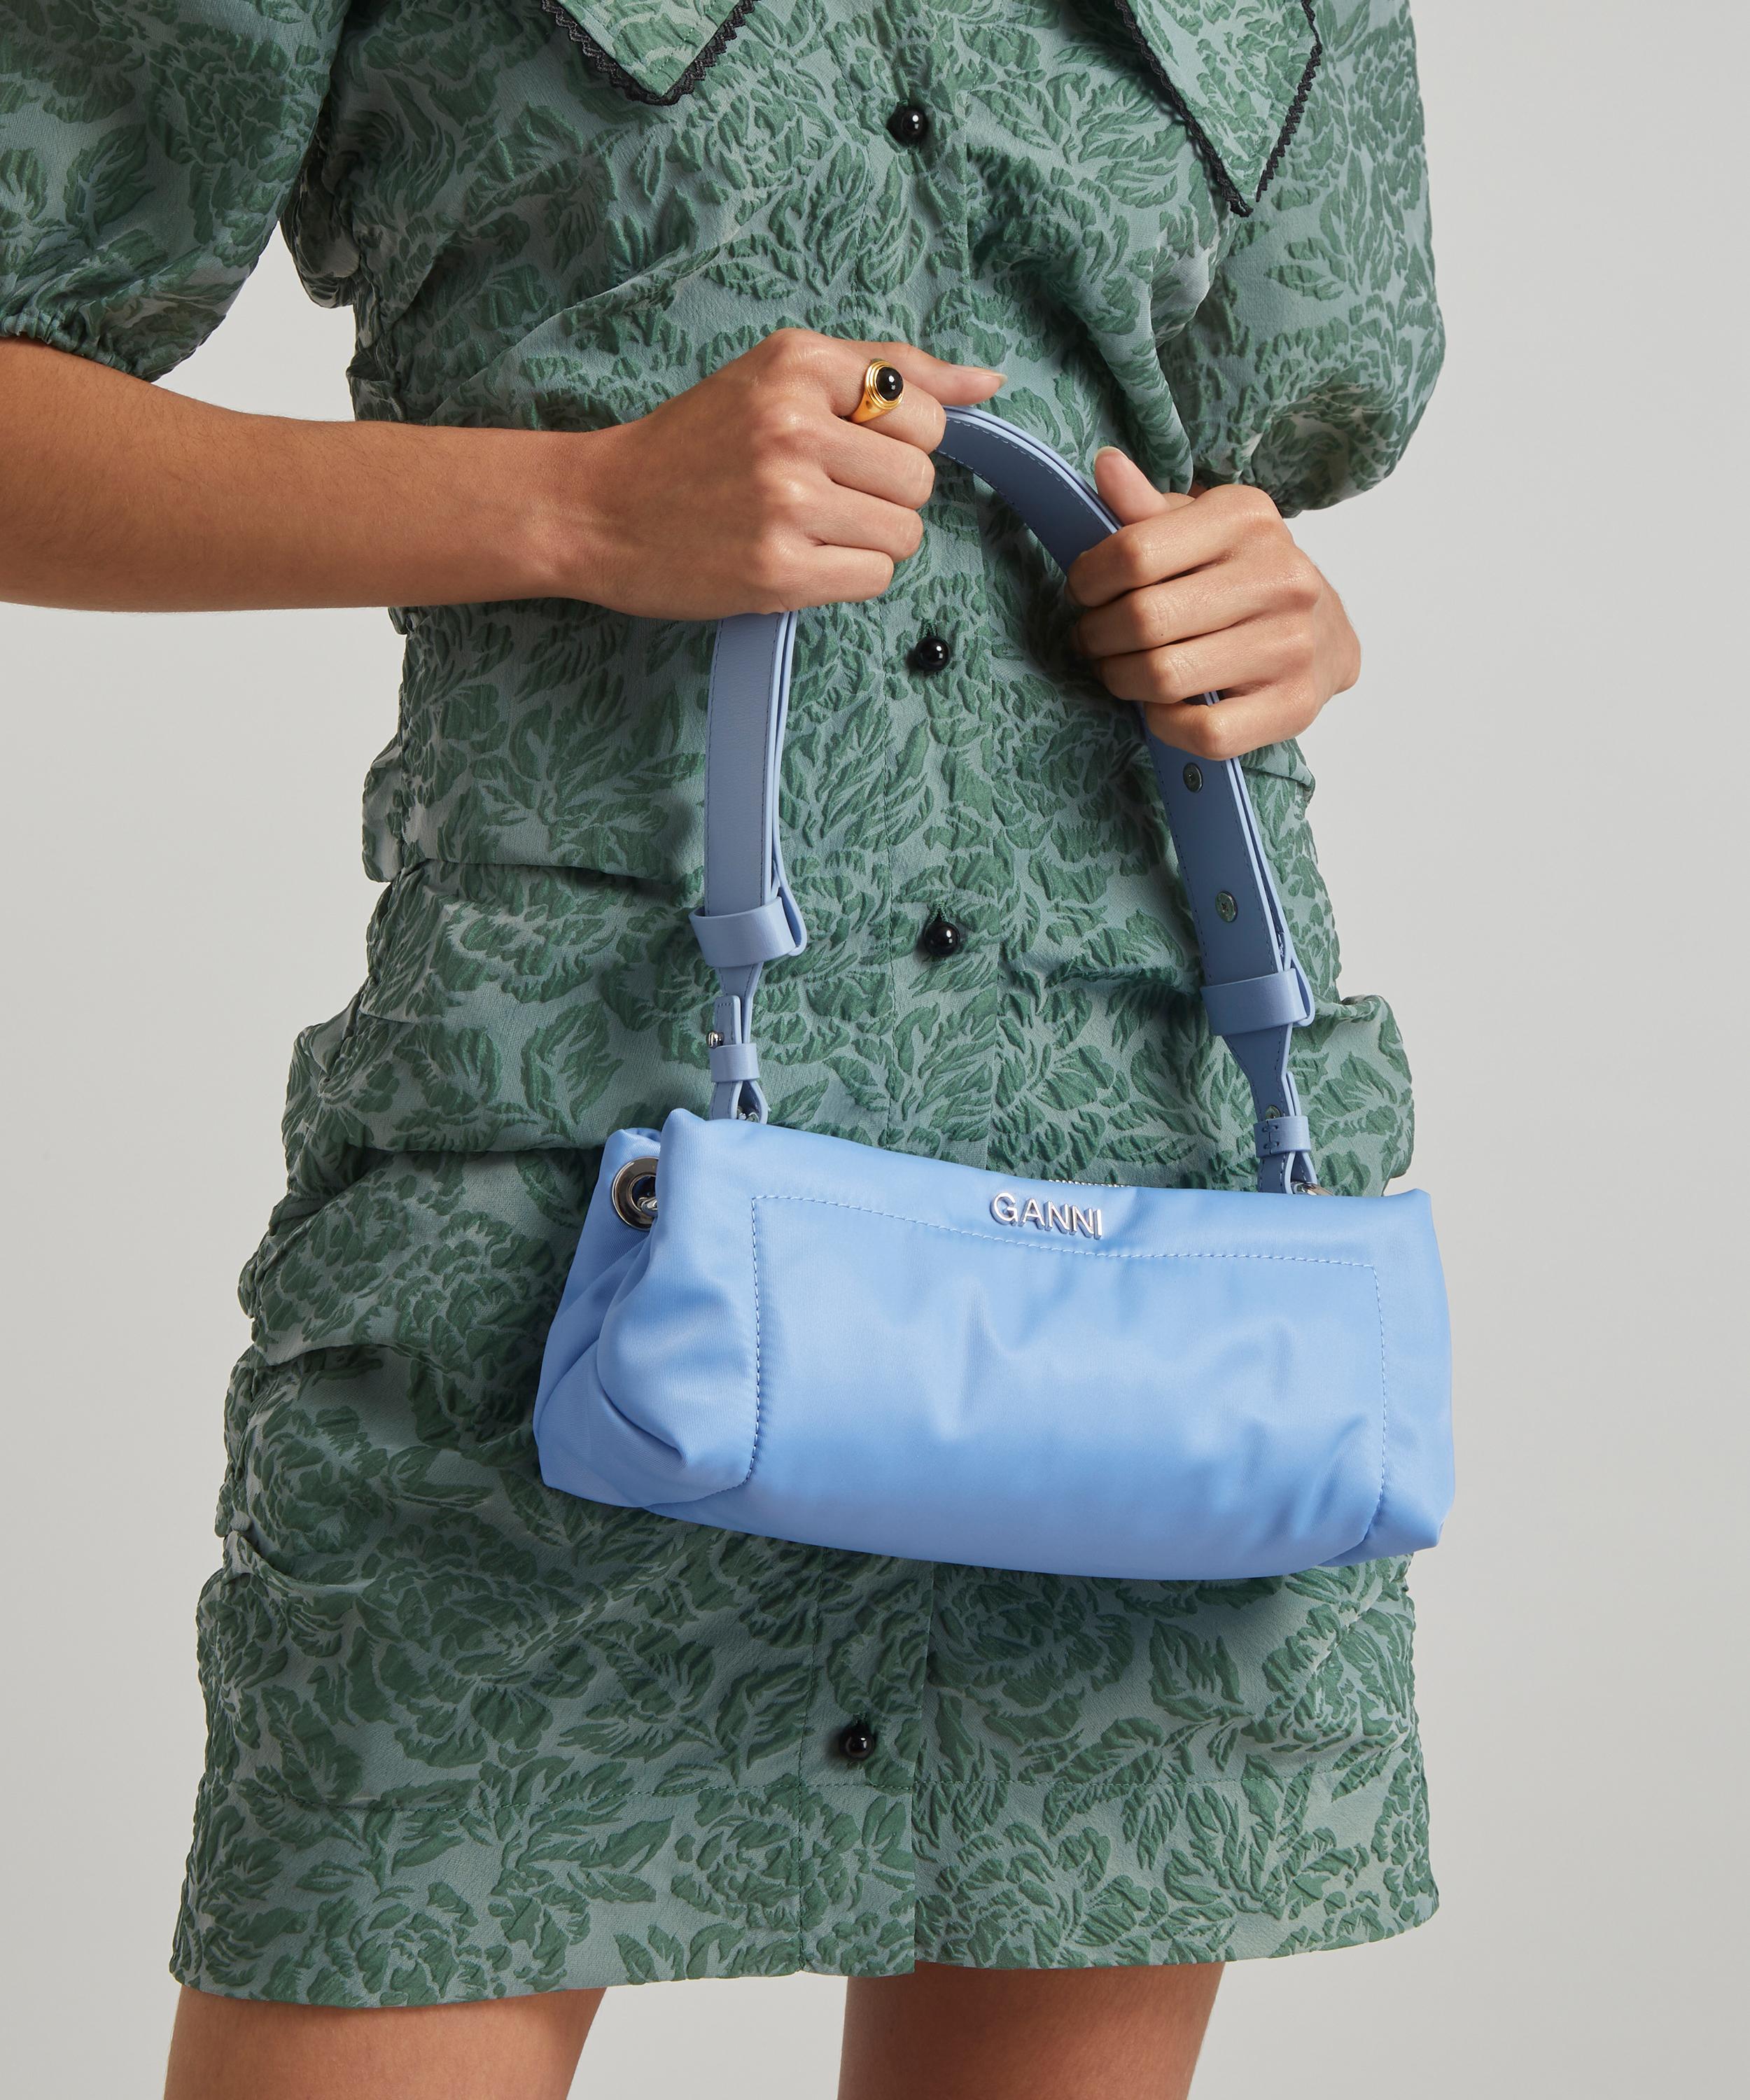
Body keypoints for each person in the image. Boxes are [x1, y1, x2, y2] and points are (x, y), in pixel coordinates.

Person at [0, 2, 1444, 2094]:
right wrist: (573, 506)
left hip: (1131, 1217)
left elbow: (1239, 450)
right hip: (562, 1210)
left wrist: (1274, 603)